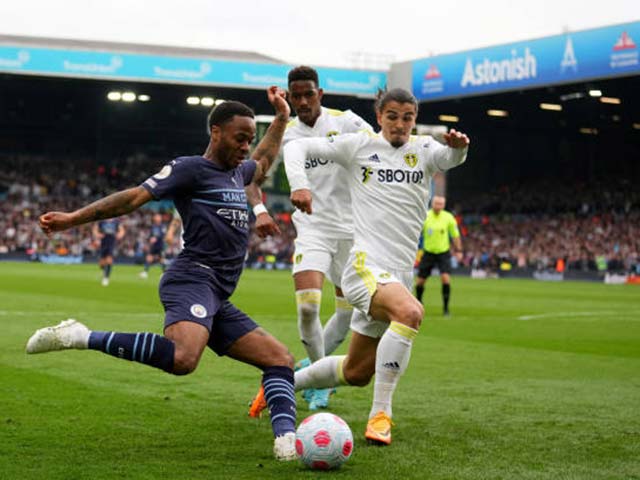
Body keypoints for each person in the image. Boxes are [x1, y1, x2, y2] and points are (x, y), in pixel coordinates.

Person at [26, 86, 299, 461]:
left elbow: (264, 160)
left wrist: (282, 119)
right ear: (215, 132)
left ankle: (287, 442)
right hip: (192, 279)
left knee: (280, 359)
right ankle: (80, 336)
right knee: (184, 358)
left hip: (216, 294)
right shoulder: (190, 169)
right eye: (239, 138)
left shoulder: (240, 173)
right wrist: (74, 219)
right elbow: (133, 198)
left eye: (248, 139)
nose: (244, 147)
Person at [278, 88, 469, 445]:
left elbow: (450, 158)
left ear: (414, 120)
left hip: (399, 275)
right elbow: (295, 147)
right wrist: (300, 186)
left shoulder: (424, 150)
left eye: (407, 117)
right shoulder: (359, 145)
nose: (400, 124)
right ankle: (381, 415)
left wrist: (459, 146)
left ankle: (282, 383)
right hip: (365, 266)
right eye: (392, 116)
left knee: (357, 371)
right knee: (410, 313)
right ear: (379, 116)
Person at [250, 66, 374, 413]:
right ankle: (322, 383)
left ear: (320, 94)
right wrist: (260, 209)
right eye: (296, 96)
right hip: (313, 230)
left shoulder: (347, 122)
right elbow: (251, 174)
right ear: (289, 97)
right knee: (307, 308)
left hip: (354, 232)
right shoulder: (284, 133)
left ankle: (314, 368)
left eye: (309, 94)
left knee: (348, 316)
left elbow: (379, 152)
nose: (303, 101)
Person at [414, 196, 463, 315]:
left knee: (446, 279)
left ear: (444, 205)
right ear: (432, 203)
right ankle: (419, 304)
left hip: (443, 253)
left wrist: (459, 250)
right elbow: (416, 232)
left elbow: (455, 235)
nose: (438, 206)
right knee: (420, 282)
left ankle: (446, 309)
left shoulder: (448, 217)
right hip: (428, 252)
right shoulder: (425, 216)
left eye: (441, 204)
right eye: (437, 203)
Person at [91, 218, 125, 286]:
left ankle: (106, 278)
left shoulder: (116, 221)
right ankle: (104, 271)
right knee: (102, 264)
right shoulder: (101, 221)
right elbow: (94, 229)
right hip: (103, 242)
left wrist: (120, 235)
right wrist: (97, 234)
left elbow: (122, 230)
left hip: (111, 241)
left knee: (109, 260)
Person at [139, 213, 168, 278]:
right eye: (156, 217)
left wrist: (156, 238)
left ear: (160, 218)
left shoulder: (163, 226)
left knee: (161, 259)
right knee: (149, 257)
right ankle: (145, 272)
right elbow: (150, 236)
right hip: (153, 245)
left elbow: (163, 235)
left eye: (158, 217)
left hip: (160, 245)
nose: (157, 218)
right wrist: (150, 239)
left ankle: (164, 273)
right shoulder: (153, 226)